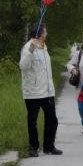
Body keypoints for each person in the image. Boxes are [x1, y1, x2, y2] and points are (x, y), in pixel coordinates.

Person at [19, 23, 62, 157]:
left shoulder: (44, 47)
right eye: (45, 31)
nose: (47, 33)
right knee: (32, 120)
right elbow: (23, 66)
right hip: (33, 92)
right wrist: (31, 51)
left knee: (52, 120)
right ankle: (33, 147)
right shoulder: (27, 47)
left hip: (47, 92)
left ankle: (49, 146)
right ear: (40, 33)